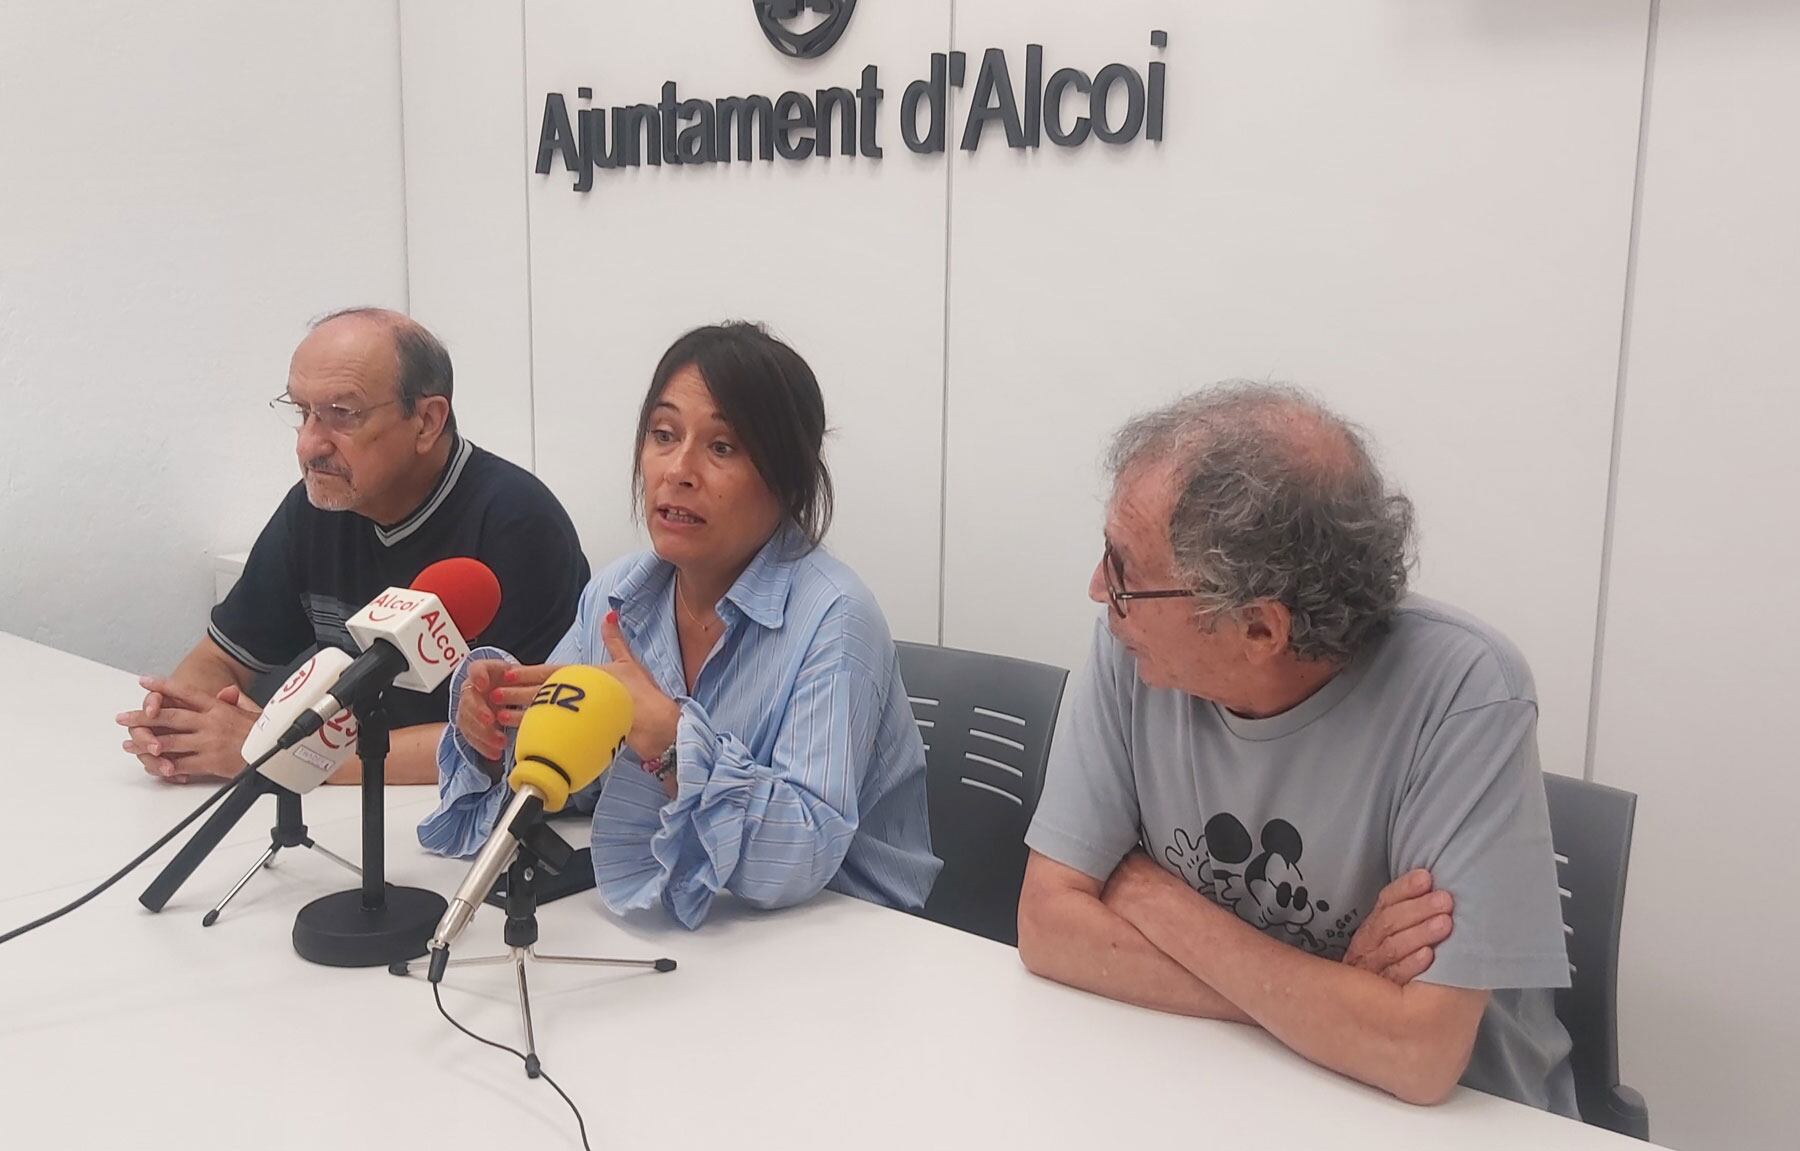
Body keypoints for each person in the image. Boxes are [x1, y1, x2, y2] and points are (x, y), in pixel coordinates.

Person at [1017, 382, 1577, 1114]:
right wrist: (1327, 998)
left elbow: (1418, 1052)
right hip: (1223, 1085)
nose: (1100, 591)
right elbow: (1047, 926)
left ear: (1259, 628)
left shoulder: (1468, 692)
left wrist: (1152, 895)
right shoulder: (1134, 647)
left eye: (1125, 572)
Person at [419, 322, 939, 927]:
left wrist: (669, 741)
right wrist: (497, 736)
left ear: (788, 478)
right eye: (663, 435)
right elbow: (583, 787)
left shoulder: (835, 617)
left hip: (846, 932)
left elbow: (800, 854)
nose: (678, 470)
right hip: (688, 915)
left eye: (722, 448)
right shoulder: (617, 595)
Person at [116, 308, 587, 786]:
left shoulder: (517, 521)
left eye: (341, 415)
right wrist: (176, 728)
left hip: (450, 815)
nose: (308, 445)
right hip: (345, 807)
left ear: (426, 421)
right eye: (302, 413)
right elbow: (219, 659)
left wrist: (288, 756)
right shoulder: (316, 506)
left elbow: (512, 733)